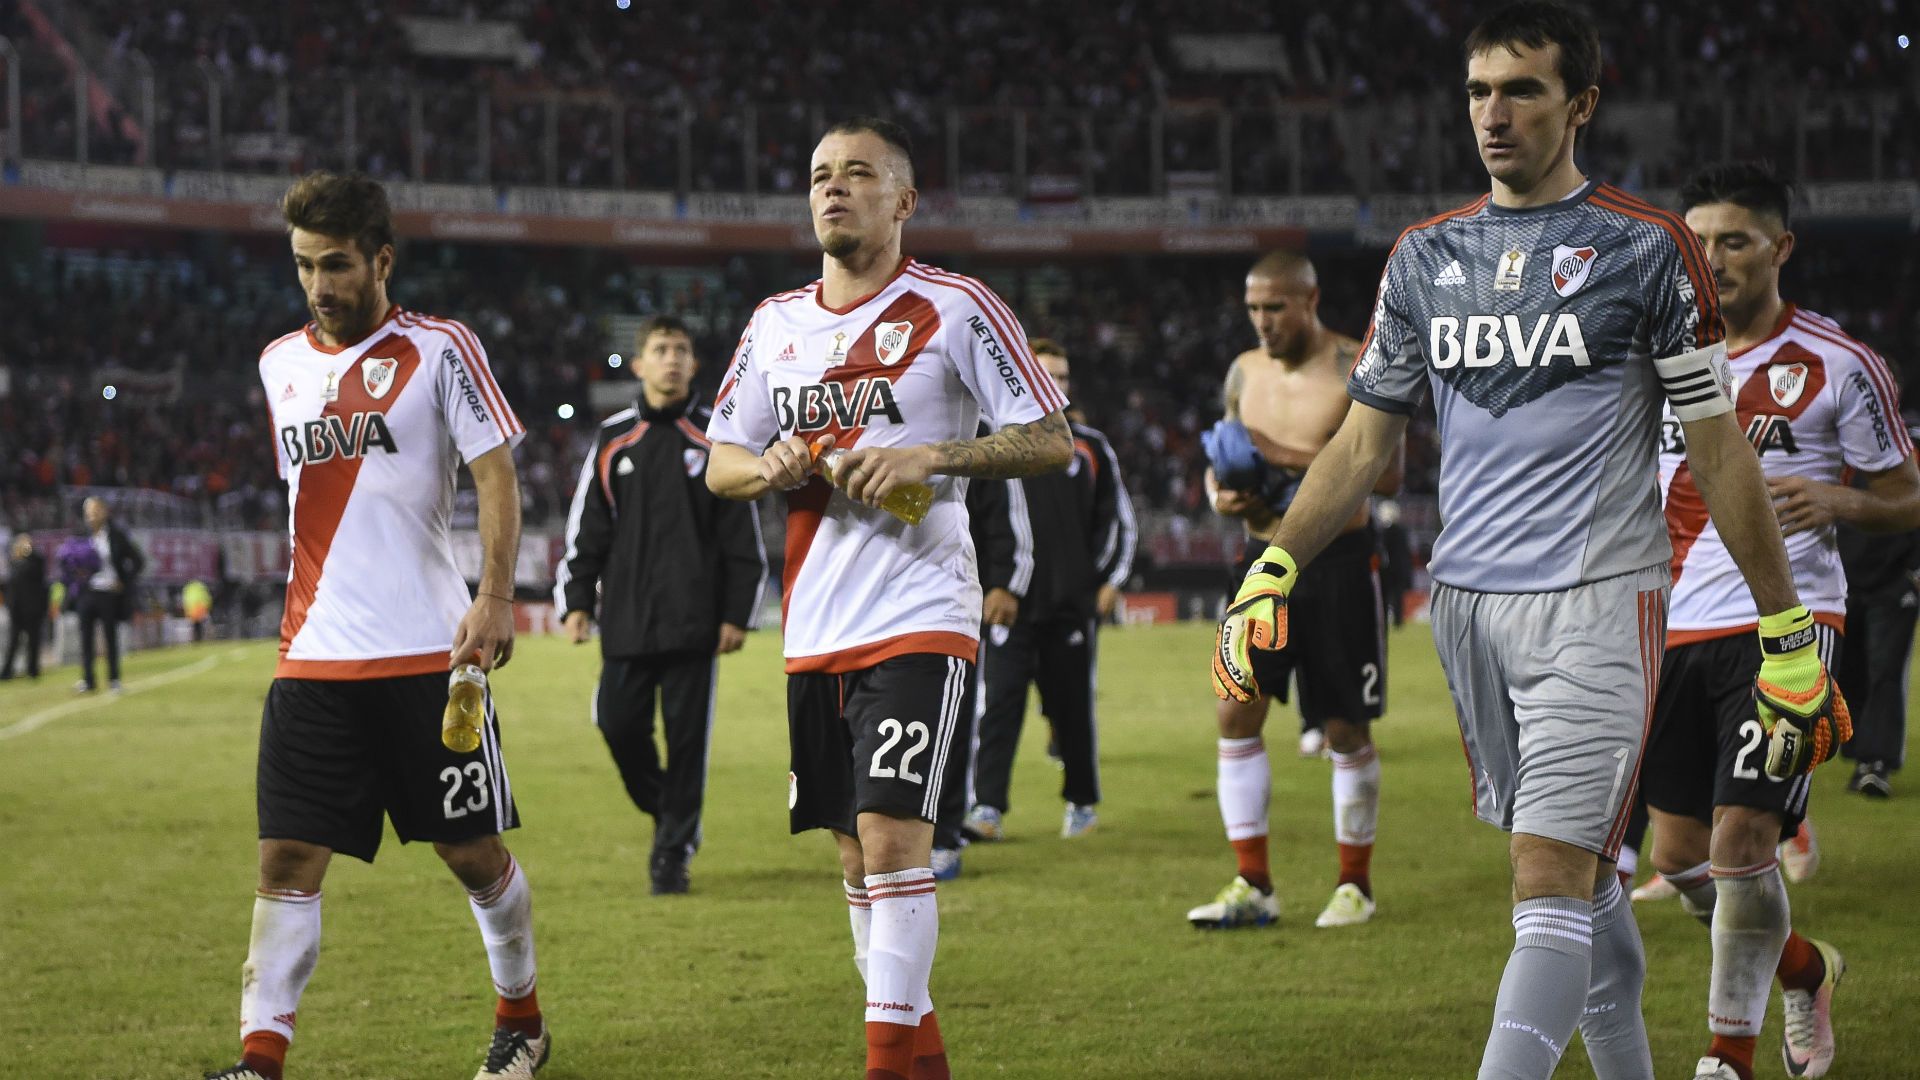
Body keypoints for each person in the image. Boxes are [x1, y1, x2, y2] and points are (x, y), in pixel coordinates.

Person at [1210, 6, 1850, 1080]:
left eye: (1522, 91)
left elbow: (1720, 450)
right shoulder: (1424, 257)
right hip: (1468, 610)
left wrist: (1784, 627)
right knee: (1593, 884)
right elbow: (1365, 442)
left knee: (1546, 878)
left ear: (1581, 105)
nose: (1493, 115)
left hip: (1599, 600)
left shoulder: (1650, 251)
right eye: (1477, 92)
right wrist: (1271, 565)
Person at [705, 116, 1071, 1080]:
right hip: (814, 622)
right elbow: (718, 461)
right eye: (821, 174)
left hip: (919, 610)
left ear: (902, 201)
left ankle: (880, 1065)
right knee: (853, 861)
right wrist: (770, 466)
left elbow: (1049, 439)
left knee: (893, 840)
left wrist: (935, 452)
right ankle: (925, 1062)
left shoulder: (957, 307)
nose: (833, 188)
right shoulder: (772, 325)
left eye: (857, 174)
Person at [203, 172, 548, 1080]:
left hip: (429, 659)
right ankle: (260, 1058)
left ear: (382, 260)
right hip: (311, 659)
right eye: (306, 265)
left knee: (471, 854)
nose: (320, 284)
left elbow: (495, 474)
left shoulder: (442, 350)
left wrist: (496, 593)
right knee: (284, 855)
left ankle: (523, 1020)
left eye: (338, 264)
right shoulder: (279, 363)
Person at [1641, 162, 1919, 1080]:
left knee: (1743, 841)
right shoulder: (1658, 359)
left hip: (1789, 625)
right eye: (1699, 241)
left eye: (1734, 240)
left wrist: (1839, 499)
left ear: (1780, 248)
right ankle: (1805, 970)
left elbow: (1907, 495)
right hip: (1671, 627)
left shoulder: (1839, 364)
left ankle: (1728, 1058)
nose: (1712, 259)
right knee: (1679, 857)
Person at [1187, 250, 1401, 932]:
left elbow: (1388, 475)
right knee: (1234, 712)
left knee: (1343, 726)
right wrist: (1219, 494)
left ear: (1310, 300)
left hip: (1339, 562)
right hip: (1258, 560)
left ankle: (1355, 886)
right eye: (1253, 309)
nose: (1263, 322)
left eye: (1275, 308)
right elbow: (1220, 453)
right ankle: (1253, 883)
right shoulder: (1243, 370)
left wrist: (1277, 455)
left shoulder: (1353, 362)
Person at [555, 313, 769, 895]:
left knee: (686, 743)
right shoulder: (613, 439)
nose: (671, 359)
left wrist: (736, 614)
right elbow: (587, 532)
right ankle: (668, 811)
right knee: (616, 723)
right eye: (660, 349)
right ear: (641, 363)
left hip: (695, 625)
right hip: (625, 621)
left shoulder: (717, 442)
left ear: (693, 364)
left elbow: (741, 539)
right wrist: (577, 601)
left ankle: (671, 854)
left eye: (680, 349)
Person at [959, 338, 1136, 849]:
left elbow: (1117, 522)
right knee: (997, 710)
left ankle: (1080, 803)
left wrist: (1106, 581)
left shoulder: (1089, 448)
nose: (1054, 386)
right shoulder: (997, 446)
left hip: (1068, 608)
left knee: (1073, 711)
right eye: (1045, 375)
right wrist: (990, 584)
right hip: (1009, 608)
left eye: (1062, 377)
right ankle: (987, 808)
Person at [1836, 458, 1920, 796]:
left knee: (1885, 669)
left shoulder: (1904, 458)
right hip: (1845, 580)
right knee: (1849, 669)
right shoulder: (1837, 454)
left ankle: (1876, 763)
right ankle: (1858, 750)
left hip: (1894, 583)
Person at [74, 496, 144, 694]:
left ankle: (114, 679)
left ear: (104, 512)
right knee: (85, 638)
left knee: (110, 638)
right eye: (88, 512)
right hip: (87, 592)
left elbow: (138, 561)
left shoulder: (116, 535)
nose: (91, 516)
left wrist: (124, 581)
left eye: (95, 511)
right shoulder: (81, 536)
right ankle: (88, 680)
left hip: (109, 593)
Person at [2, 534, 49, 680]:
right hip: (17, 609)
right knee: (13, 642)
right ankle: (7, 671)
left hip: (32, 609)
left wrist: (30, 550)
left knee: (33, 641)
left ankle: (33, 670)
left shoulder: (35, 561)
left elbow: (39, 568)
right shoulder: (15, 563)